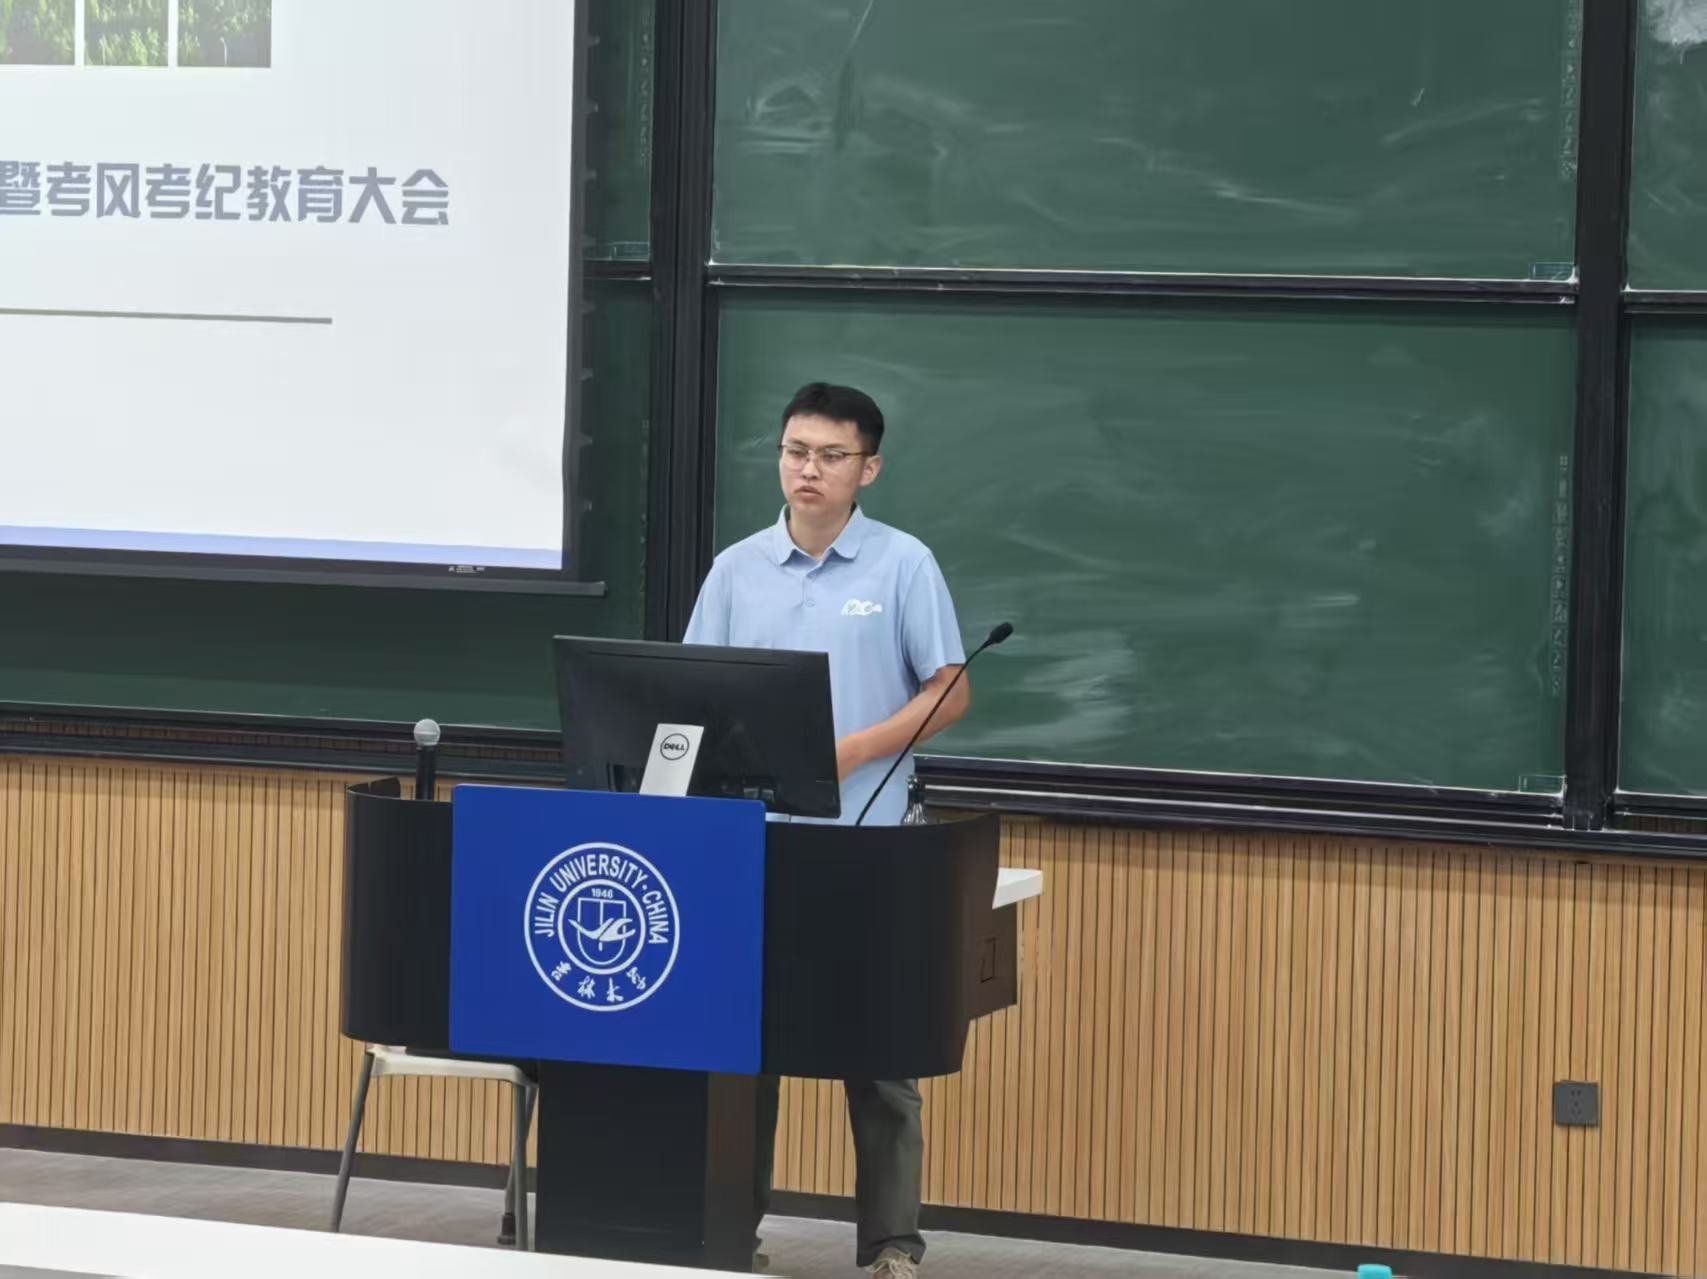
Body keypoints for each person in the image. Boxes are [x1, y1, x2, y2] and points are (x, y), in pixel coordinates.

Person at [682, 381, 971, 1277]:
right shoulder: (736, 569)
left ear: (867, 469)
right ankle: (731, 1232)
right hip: (750, 840)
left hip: (868, 841)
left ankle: (890, 1246)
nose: (808, 469)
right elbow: (690, 694)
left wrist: (851, 751)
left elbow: (949, 691)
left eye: (831, 455)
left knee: (878, 1053)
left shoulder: (901, 564)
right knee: (741, 1047)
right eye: (795, 450)